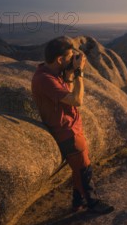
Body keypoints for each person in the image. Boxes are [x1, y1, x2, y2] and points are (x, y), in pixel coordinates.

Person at [31, 36, 114, 214]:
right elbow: (77, 100)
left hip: (72, 127)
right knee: (84, 168)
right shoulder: (44, 78)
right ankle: (93, 202)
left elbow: (66, 95)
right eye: (69, 56)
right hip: (66, 131)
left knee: (79, 169)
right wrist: (79, 73)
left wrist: (68, 75)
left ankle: (78, 202)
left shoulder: (52, 73)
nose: (72, 59)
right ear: (60, 59)